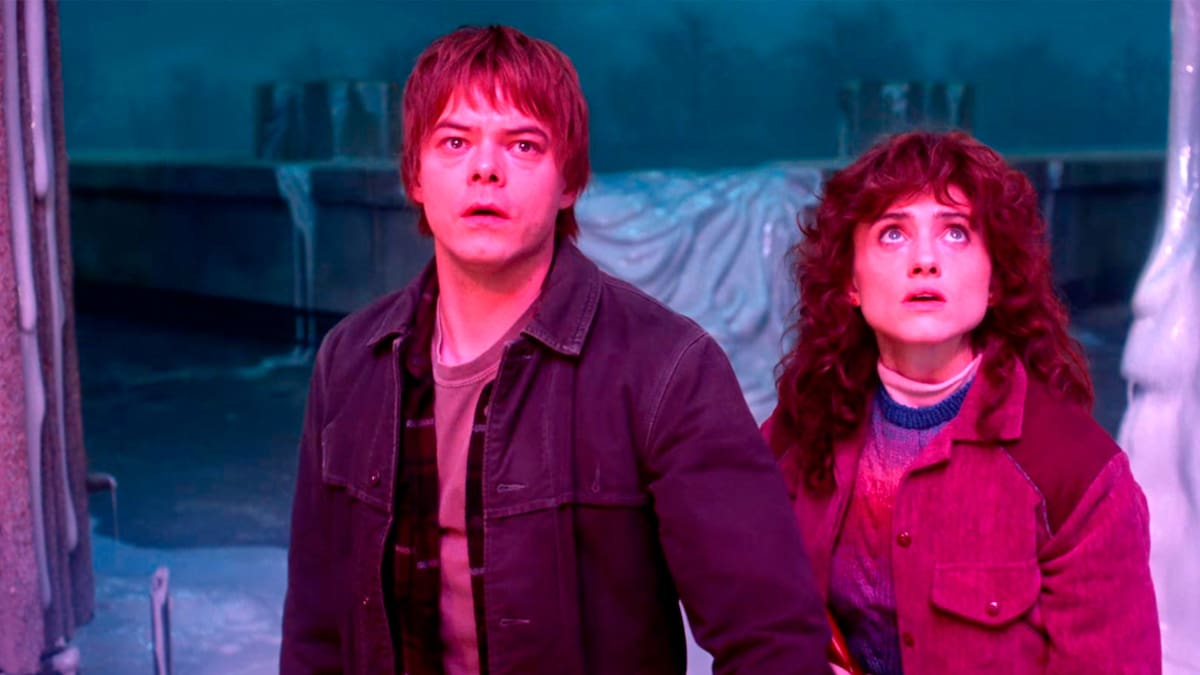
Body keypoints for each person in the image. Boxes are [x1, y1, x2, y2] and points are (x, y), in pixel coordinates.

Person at [281, 25, 831, 674]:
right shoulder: (350, 361)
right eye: (455, 142)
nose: (485, 169)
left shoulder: (666, 368)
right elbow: (316, 632)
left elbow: (772, 639)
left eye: (523, 144)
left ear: (569, 182)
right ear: (415, 176)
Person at [765, 130, 1161, 674]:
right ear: (850, 281)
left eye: (955, 232)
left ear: (995, 279)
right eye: (892, 234)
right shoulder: (801, 427)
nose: (925, 260)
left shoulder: (1077, 471)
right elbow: (748, 600)